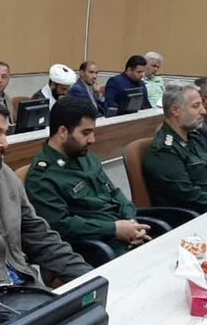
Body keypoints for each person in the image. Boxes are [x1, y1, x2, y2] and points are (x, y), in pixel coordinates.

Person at [0, 98, 92, 293]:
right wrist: (6, 308)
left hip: (25, 286)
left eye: (5, 134)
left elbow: (40, 237)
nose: (4, 143)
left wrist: (90, 277)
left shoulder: (4, 175)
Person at [26, 97, 150, 257]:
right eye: (85, 133)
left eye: (92, 132)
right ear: (63, 132)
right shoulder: (42, 176)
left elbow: (115, 194)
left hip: (123, 231)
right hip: (96, 246)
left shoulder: (86, 157)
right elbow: (61, 226)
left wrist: (131, 222)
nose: (92, 140)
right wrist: (114, 229)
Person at [143, 83, 207, 213]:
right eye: (196, 106)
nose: (203, 111)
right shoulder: (164, 150)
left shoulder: (195, 138)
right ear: (175, 110)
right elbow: (187, 194)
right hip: (195, 215)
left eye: (201, 105)